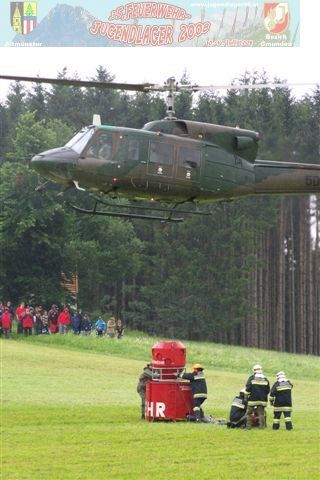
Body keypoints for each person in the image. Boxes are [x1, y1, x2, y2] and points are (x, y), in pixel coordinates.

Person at [245, 364, 270, 429]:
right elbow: (268, 390)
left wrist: (246, 397)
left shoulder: (251, 378)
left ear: (254, 370)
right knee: (261, 414)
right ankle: (262, 427)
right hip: (262, 400)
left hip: (252, 400)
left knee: (249, 413)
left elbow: (248, 389)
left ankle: (248, 427)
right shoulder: (265, 379)